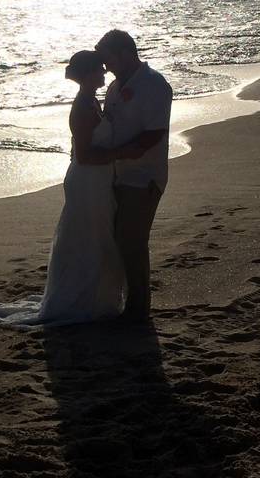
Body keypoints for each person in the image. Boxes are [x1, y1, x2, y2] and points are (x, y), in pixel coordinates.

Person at [0, 50, 159, 328]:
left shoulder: (92, 102)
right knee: (87, 237)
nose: (104, 72)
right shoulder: (81, 108)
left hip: (99, 180)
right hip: (88, 181)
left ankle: (96, 296)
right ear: (88, 75)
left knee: (98, 237)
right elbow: (86, 155)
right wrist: (126, 152)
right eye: (100, 69)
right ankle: (82, 298)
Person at [94, 29, 172, 322]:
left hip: (144, 176)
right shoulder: (114, 88)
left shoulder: (154, 85)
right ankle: (125, 298)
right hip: (116, 175)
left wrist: (116, 154)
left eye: (108, 58)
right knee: (119, 237)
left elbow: (153, 135)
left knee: (132, 239)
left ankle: (139, 308)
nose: (105, 66)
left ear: (126, 54)